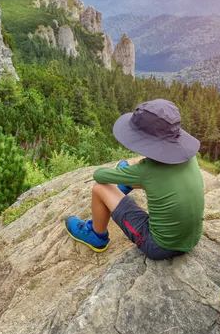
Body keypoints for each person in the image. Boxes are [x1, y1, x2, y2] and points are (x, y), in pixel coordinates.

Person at [65, 99, 205, 260]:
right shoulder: (188, 157)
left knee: (99, 188)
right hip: (192, 239)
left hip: (158, 246)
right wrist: (137, 169)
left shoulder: (146, 171)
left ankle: (96, 236)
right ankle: (125, 184)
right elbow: (156, 174)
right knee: (146, 175)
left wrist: (129, 172)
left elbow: (99, 176)